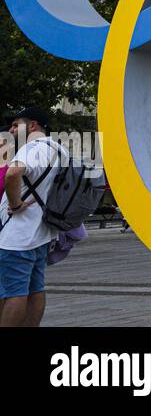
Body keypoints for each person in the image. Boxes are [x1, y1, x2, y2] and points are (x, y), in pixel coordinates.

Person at [1, 107, 58, 327]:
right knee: (36, 288)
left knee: (13, 292)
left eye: (16, 125)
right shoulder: (58, 149)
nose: (11, 130)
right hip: (42, 232)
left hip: (18, 235)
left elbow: (13, 173)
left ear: (32, 126)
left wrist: (15, 204)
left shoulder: (31, 148)